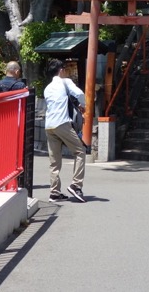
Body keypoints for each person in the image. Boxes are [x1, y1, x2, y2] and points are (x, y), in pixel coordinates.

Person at [43, 59, 87, 203]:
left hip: (49, 126)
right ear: (61, 70)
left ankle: (54, 193)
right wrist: (82, 105)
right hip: (62, 123)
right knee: (80, 151)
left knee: (54, 161)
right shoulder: (65, 82)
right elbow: (80, 94)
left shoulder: (47, 88)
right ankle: (76, 185)